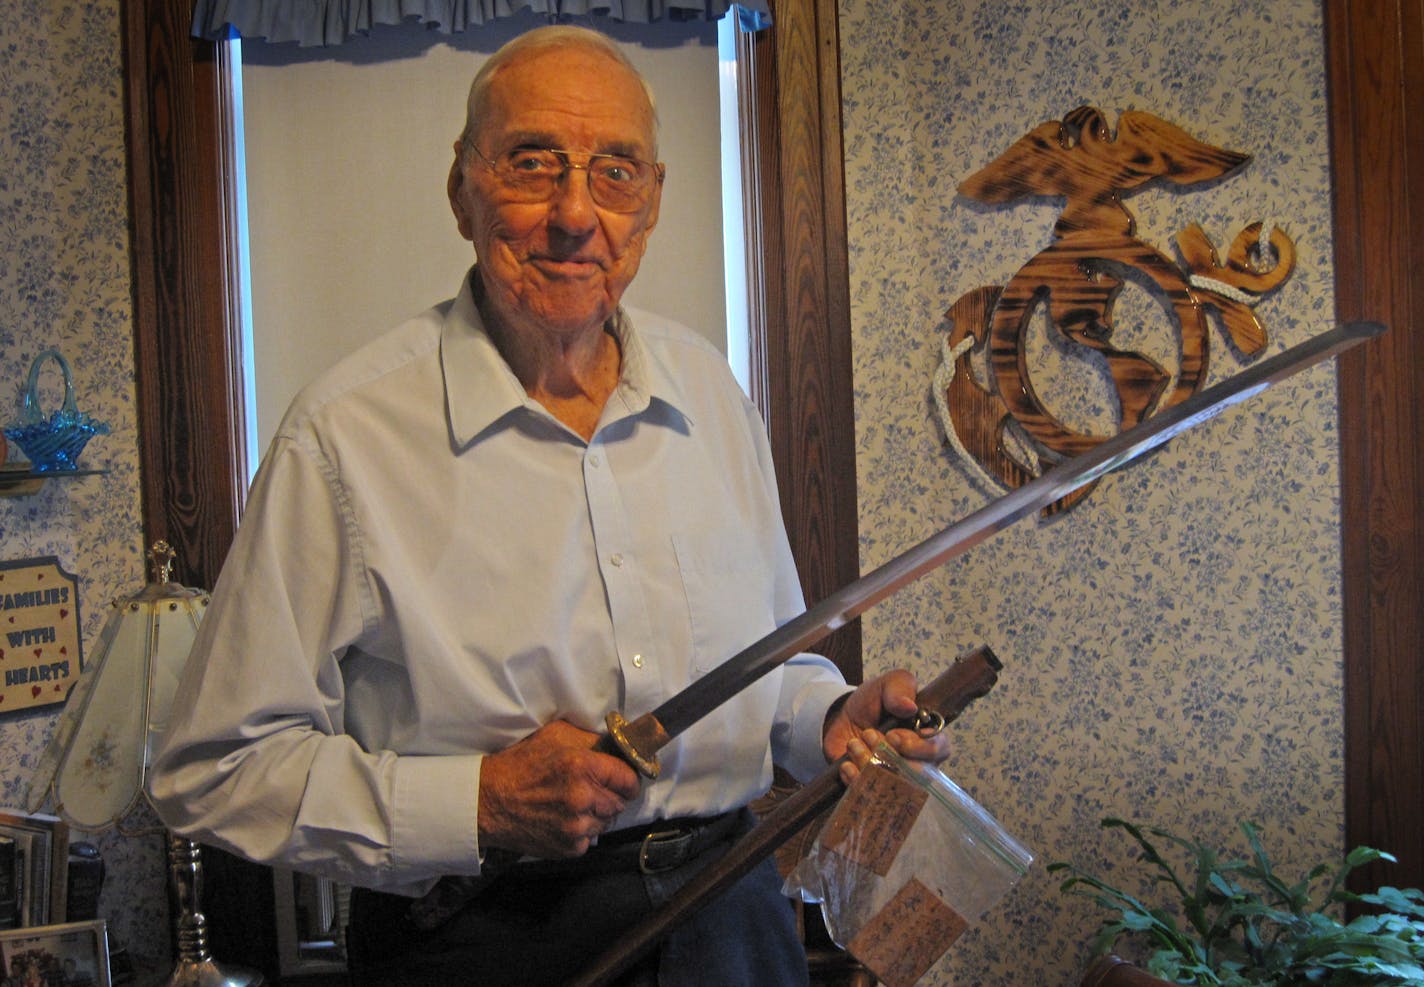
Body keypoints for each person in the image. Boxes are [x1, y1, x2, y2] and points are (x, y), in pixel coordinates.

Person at [149, 24, 948, 987]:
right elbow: (213, 768)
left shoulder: (713, 394)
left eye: (615, 172)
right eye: (534, 164)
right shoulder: (344, 436)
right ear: (462, 189)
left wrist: (825, 713)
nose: (577, 213)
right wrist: (473, 801)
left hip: (733, 920)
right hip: (482, 936)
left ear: (651, 204)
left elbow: (766, 667)